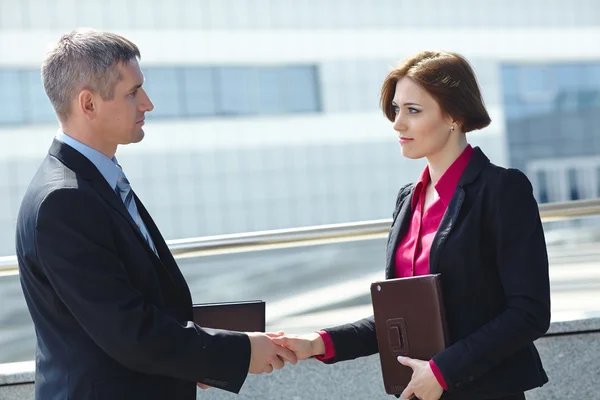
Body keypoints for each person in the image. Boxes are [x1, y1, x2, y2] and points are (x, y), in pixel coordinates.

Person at [15, 28, 297, 400]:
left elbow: (137, 298)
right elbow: (129, 332)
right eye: (133, 93)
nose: (147, 103)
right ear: (88, 104)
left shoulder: (94, 181)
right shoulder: (64, 200)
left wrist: (198, 354)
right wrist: (239, 352)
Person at [273, 51, 551, 400]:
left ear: (455, 115)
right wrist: (318, 342)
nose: (397, 123)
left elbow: (529, 313)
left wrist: (441, 372)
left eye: (413, 110)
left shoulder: (501, 190)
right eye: (396, 109)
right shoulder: (408, 200)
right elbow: (400, 319)